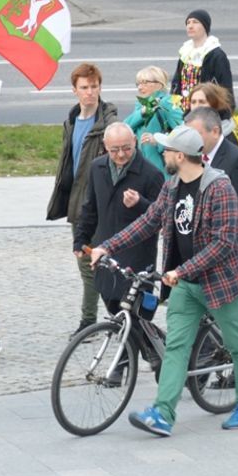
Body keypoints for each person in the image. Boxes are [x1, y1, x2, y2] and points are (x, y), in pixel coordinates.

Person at [91, 126, 238, 437]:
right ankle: (163, 413)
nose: (162, 153)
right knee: (177, 347)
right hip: (185, 284)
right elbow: (148, 221)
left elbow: (224, 243)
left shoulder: (219, 188)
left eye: (167, 149)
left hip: (219, 284)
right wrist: (107, 246)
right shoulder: (172, 186)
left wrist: (182, 270)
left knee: (237, 344)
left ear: (180, 156)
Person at [46, 62, 119, 334]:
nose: (90, 92)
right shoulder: (72, 120)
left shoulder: (108, 123)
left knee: (99, 265)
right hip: (79, 202)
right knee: (85, 262)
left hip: (101, 205)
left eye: (95, 86)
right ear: (75, 90)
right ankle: (108, 317)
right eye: (85, 87)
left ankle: (95, 320)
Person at [73, 122, 166, 317]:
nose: (121, 154)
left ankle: (137, 347)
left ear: (135, 142)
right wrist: (80, 239)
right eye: (115, 150)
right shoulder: (97, 168)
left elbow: (162, 217)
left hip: (137, 259)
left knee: (136, 320)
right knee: (116, 316)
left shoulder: (152, 174)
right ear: (105, 145)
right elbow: (90, 207)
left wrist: (140, 203)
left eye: (126, 148)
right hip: (106, 254)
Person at [184, 108, 238, 279]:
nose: (191, 140)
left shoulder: (236, 160)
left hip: (229, 247)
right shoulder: (194, 155)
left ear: (215, 131)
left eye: (196, 134)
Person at [124, 65, 184, 172]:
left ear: (159, 84)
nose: (140, 87)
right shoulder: (141, 106)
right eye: (138, 83)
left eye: (145, 82)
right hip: (141, 169)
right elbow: (124, 128)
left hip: (162, 170)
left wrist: (159, 141)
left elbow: (184, 132)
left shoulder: (167, 102)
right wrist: (143, 113)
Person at [172, 9, 234, 111]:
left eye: (195, 22)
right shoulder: (185, 53)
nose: (190, 26)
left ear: (205, 26)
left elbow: (225, 88)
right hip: (183, 110)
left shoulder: (216, 55)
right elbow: (176, 84)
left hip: (206, 112)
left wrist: (223, 114)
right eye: (188, 23)